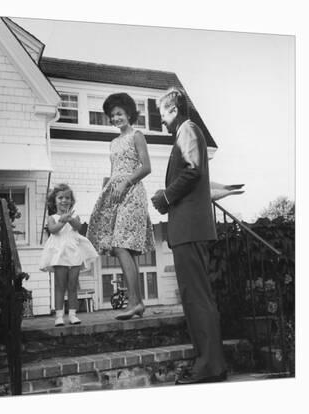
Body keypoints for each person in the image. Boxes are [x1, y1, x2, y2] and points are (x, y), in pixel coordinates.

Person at [151, 87, 227, 385]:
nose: (162, 122)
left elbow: (193, 171)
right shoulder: (185, 133)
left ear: (175, 109)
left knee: (197, 298)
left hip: (190, 230)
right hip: (187, 230)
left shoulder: (188, 131)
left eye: (163, 115)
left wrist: (166, 197)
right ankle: (208, 363)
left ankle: (210, 366)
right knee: (194, 298)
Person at [87, 93, 155, 320]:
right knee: (124, 248)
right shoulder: (113, 142)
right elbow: (114, 170)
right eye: (112, 115)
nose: (116, 118)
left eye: (119, 113)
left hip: (133, 193)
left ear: (128, 114)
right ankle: (138, 303)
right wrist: (106, 186)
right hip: (115, 195)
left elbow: (146, 167)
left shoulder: (137, 135)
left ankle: (134, 303)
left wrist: (126, 181)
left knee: (121, 246)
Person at [40, 183, 98, 326]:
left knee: (73, 285)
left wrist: (70, 219)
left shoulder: (75, 216)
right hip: (60, 255)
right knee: (60, 285)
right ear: (54, 200)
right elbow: (53, 230)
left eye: (67, 198)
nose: (64, 200)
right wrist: (62, 220)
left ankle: (72, 314)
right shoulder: (52, 217)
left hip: (74, 253)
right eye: (60, 198)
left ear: (71, 201)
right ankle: (59, 316)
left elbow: (78, 227)